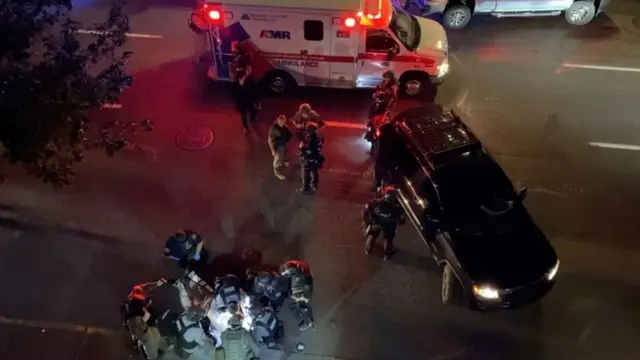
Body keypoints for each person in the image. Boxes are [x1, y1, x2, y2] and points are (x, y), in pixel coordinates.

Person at [123, 280, 169, 360]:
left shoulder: (135, 295)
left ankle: (161, 349)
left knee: (155, 334)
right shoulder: (136, 306)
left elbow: (146, 286)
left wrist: (157, 283)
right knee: (149, 341)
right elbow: (135, 322)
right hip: (137, 324)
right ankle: (152, 357)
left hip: (139, 322)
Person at [362, 185, 406, 260]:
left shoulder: (376, 202)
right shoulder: (397, 207)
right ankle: (386, 255)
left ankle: (367, 249)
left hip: (377, 222)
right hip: (389, 225)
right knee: (388, 240)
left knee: (372, 235)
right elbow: (402, 220)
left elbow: (366, 211)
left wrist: (368, 223)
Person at [279, 260, 314, 331]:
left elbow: (305, 289)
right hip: (302, 289)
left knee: (302, 307)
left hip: (303, 294)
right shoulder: (299, 267)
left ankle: (308, 322)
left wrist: (298, 297)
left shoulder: (301, 278)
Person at [297, 123, 324, 194]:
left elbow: (308, 150)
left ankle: (305, 187)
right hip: (315, 158)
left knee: (305, 173)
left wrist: (301, 148)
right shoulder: (319, 138)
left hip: (308, 159)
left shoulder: (310, 139)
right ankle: (314, 185)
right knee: (314, 171)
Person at [232, 67, 260, 134]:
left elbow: (254, 91)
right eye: (244, 76)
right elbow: (234, 94)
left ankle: (252, 118)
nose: (245, 77)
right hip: (241, 103)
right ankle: (245, 127)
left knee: (252, 110)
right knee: (243, 115)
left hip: (249, 100)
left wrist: (256, 100)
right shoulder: (235, 84)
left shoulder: (249, 81)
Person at [268, 115, 292, 181]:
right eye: (280, 122)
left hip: (282, 145)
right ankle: (277, 173)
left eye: (283, 122)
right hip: (277, 146)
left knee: (282, 156)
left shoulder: (284, 126)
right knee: (277, 160)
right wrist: (273, 151)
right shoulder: (274, 129)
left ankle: (282, 162)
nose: (282, 124)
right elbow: (270, 140)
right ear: (277, 121)